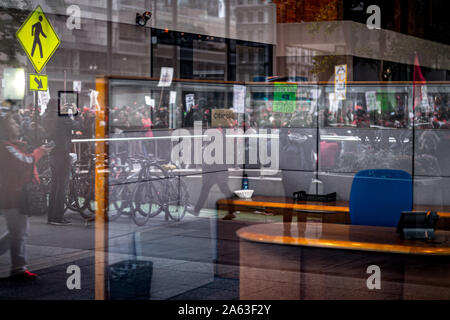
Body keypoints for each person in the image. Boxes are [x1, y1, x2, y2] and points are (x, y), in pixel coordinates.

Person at [0, 113, 53, 279]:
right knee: (19, 231)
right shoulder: (5, 147)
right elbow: (25, 162)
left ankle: (19, 267)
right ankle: (19, 268)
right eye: (13, 124)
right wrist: (39, 152)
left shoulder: (10, 146)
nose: (17, 126)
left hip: (15, 193)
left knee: (17, 230)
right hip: (13, 194)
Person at [44, 101, 81, 225]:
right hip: (62, 154)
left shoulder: (46, 116)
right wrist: (76, 113)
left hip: (53, 154)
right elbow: (77, 125)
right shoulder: (62, 118)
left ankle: (51, 217)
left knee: (54, 187)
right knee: (62, 188)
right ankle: (58, 217)